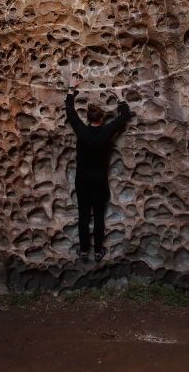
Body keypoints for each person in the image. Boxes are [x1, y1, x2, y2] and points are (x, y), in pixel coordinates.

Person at [65, 75, 132, 262]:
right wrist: (119, 95)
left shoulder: (82, 130)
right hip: (100, 180)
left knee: (84, 216)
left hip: (83, 179)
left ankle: (84, 251)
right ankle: (98, 252)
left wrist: (71, 88)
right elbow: (125, 116)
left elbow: (70, 112)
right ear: (102, 118)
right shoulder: (106, 131)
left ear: (88, 118)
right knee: (99, 217)